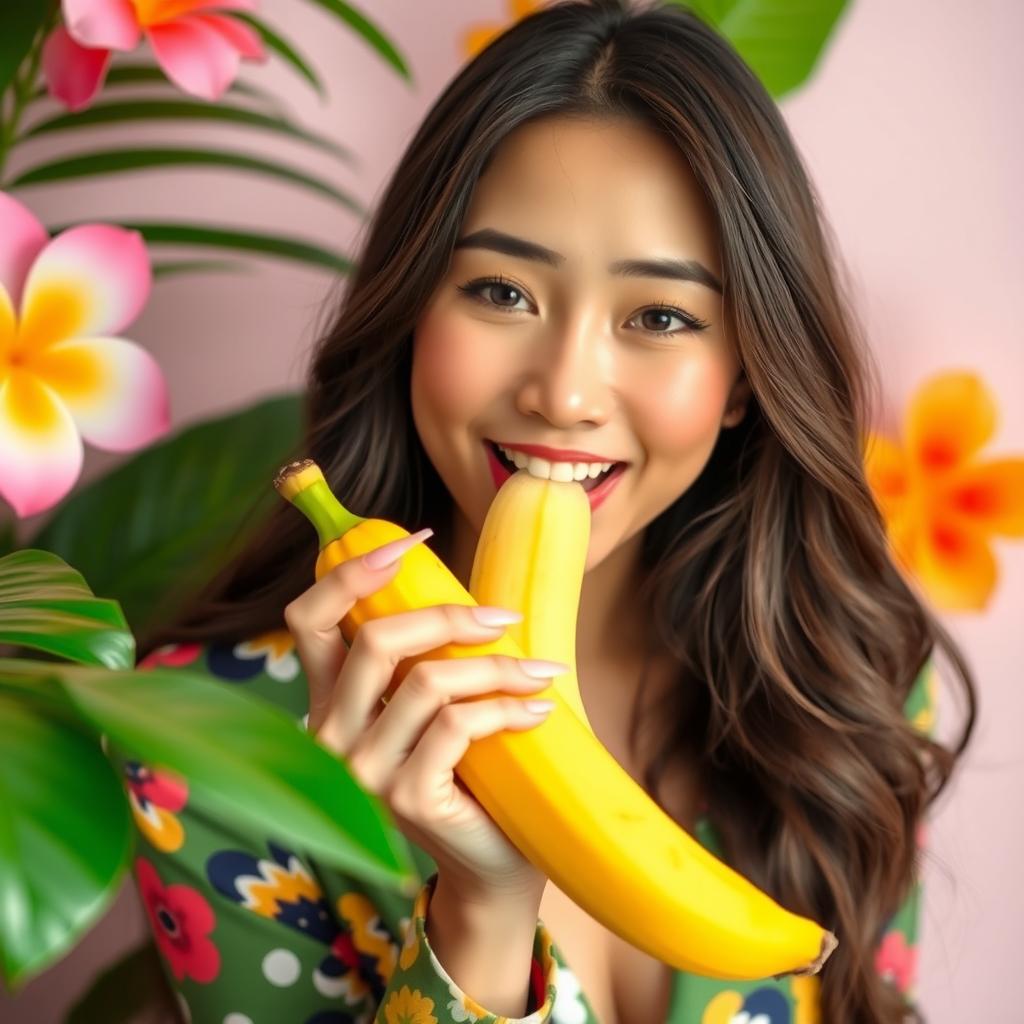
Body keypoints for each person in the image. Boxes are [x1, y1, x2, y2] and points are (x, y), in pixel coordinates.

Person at [118, 1, 977, 1021]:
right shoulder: (205, 746)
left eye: (659, 317)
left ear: (744, 376)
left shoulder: (843, 677)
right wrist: (480, 912)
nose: (564, 391)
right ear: (411, 312)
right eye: (501, 293)